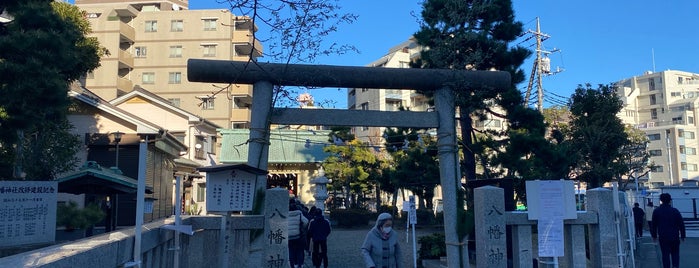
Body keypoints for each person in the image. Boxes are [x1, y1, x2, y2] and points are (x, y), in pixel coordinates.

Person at [651, 193, 686, 268]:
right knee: (675, 253)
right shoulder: (675, 211)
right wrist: (683, 235)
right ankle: (675, 266)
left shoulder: (657, 211)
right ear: (670, 201)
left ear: (661, 201)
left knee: (665, 254)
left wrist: (654, 236)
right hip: (674, 236)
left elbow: (653, 225)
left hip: (663, 236)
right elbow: (681, 224)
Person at [288, 202, 309, 268]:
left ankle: (292, 265)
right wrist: (302, 226)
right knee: (299, 251)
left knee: (291, 251)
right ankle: (299, 265)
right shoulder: (299, 214)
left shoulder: (286, 214)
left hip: (289, 237)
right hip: (298, 236)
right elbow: (306, 221)